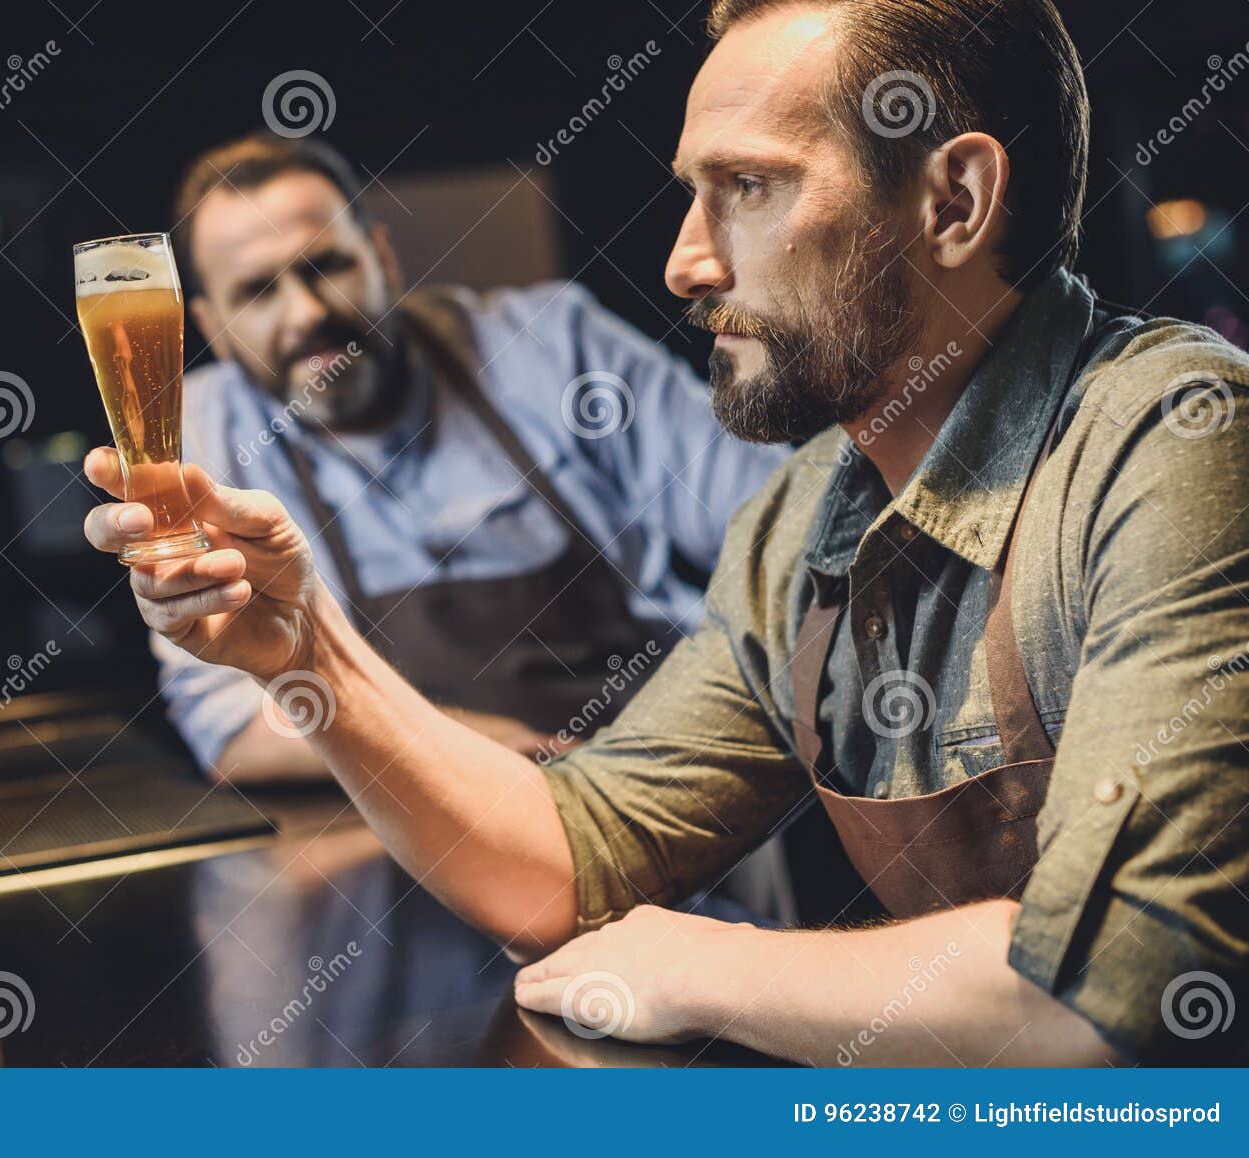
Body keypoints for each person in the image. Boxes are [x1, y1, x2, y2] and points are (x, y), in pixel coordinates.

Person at [84, 0, 1249, 1065]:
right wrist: (309, 655)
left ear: (951, 202)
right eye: (696, 192)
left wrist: (704, 963)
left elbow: (1120, 991)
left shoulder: (1179, 441)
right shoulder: (805, 519)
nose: (685, 262)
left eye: (749, 186)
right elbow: (571, 854)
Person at [153, 133, 787, 784]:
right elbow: (230, 729)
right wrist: (482, 753)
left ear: (383, 260)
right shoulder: (205, 436)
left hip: (679, 779)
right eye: (259, 292)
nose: (308, 312)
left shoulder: (556, 345)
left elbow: (780, 534)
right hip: (433, 839)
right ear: (212, 328)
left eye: (328, 267)